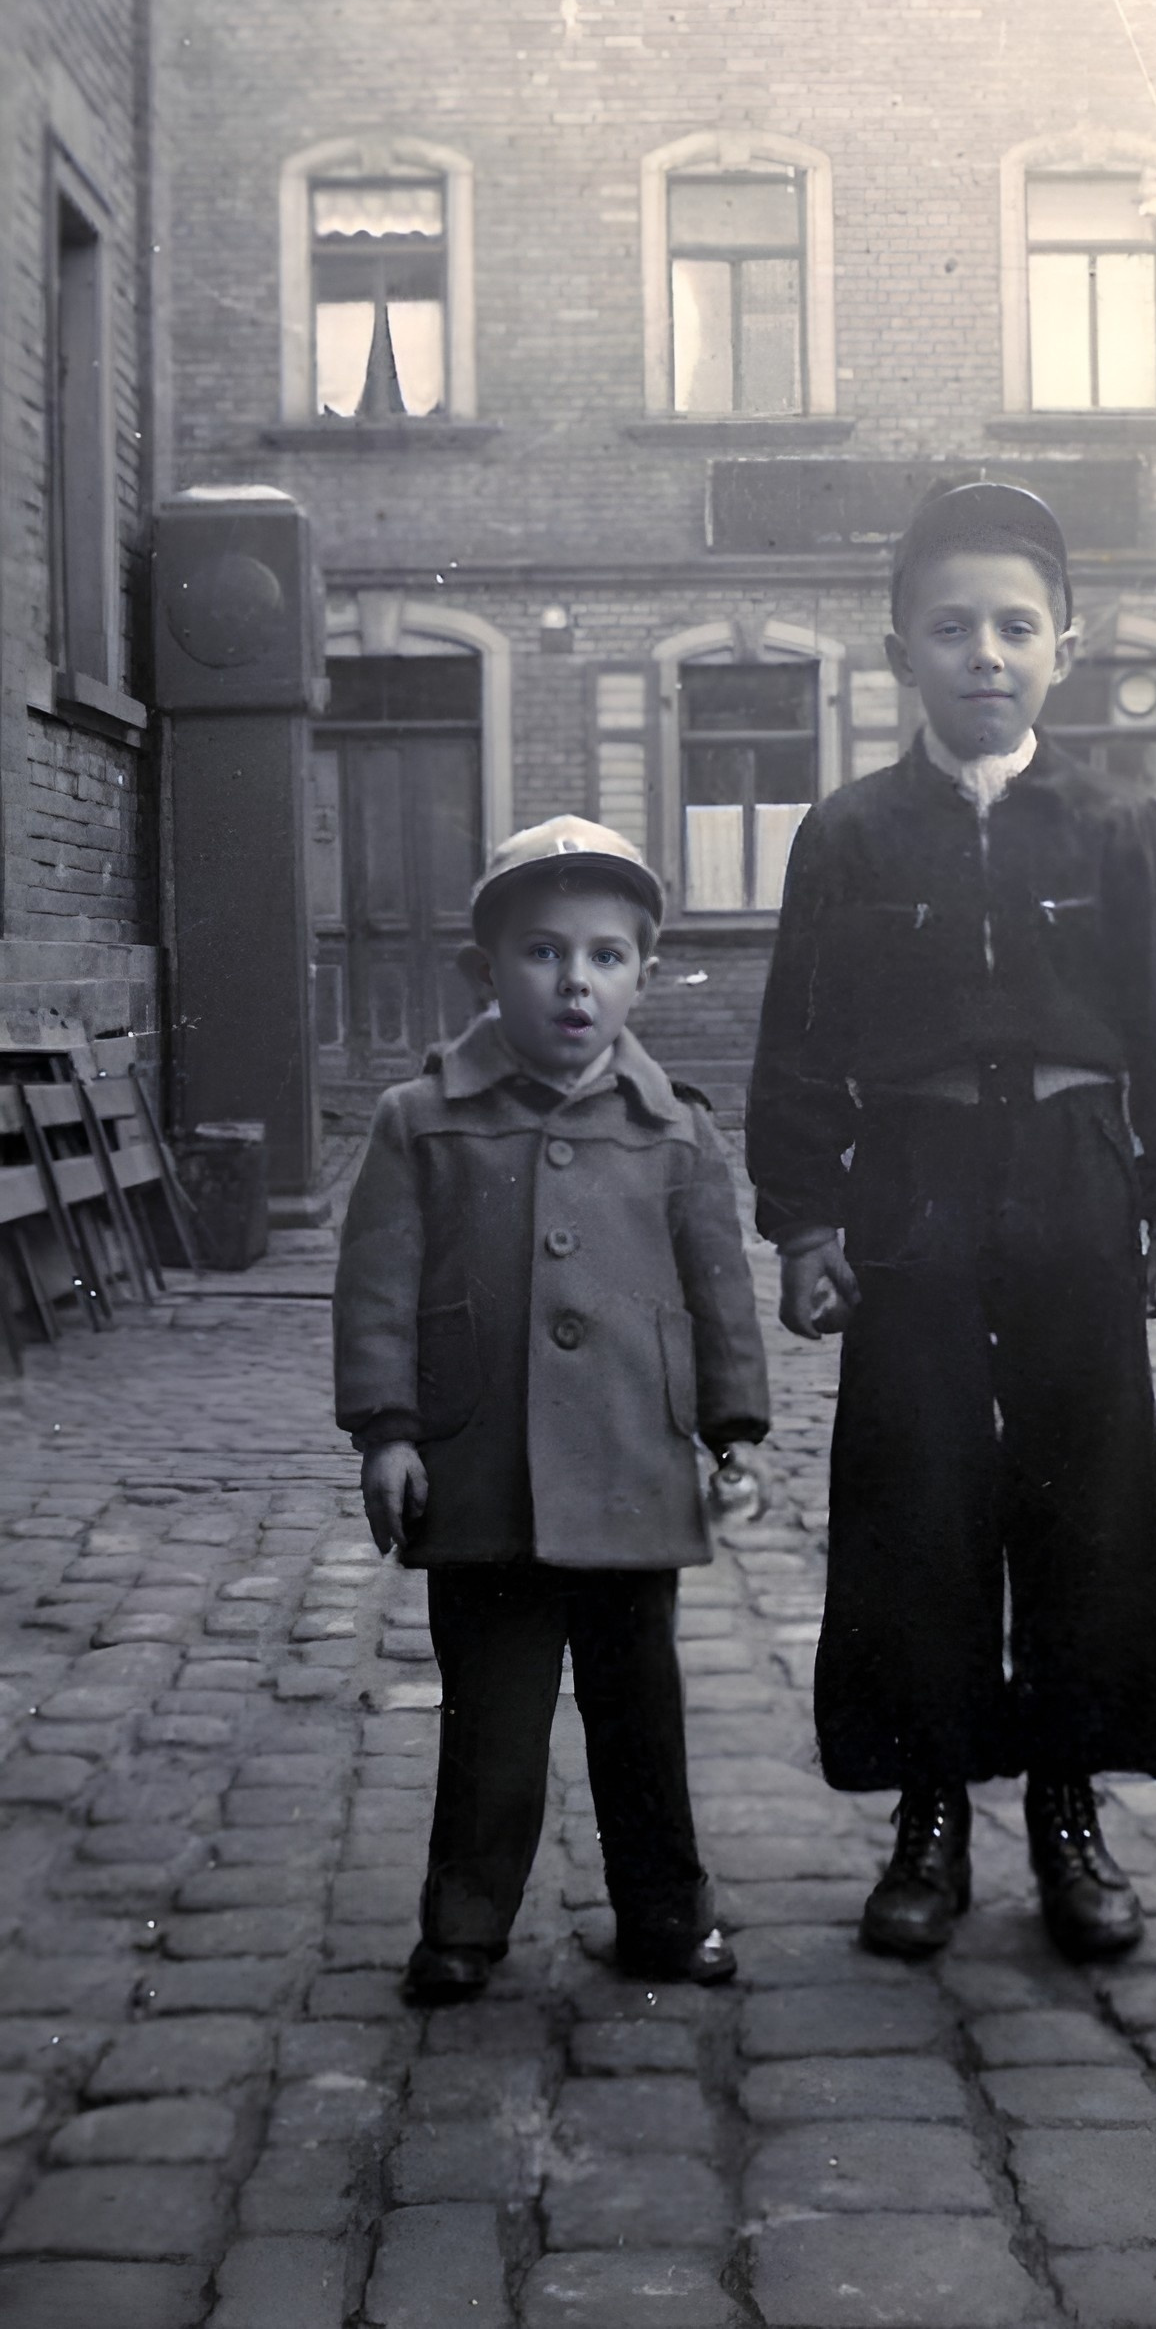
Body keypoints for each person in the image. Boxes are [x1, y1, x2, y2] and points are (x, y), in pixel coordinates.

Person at [746, 482, 1156, 1963]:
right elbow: (797, 1047)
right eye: (952, 626)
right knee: (916, 1491)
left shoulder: (1120, 824)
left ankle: (1071, 1811)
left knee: (1088, 1495)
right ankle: (930, 1816)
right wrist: (804, 1223)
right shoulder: (848, 835)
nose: (985, 654)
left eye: (1016, 628)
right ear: (899, 648)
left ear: (1063, 650)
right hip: (914, 1186)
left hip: (1077, 1178)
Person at [334, 817, 770, 2004]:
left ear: (643, 974)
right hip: (484, 1476)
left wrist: (734, 1431)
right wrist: (387, 1432)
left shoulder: (675, 1127)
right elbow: (376, 1288)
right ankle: (465, 1922)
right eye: (542, 952)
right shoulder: (419, 1120)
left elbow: (719, 1294)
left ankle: (666, 1912)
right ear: (484, 969)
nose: (575, 982)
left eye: (606, 955)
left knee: (642, 1717)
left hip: (634, 1469)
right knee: (493, 1720)